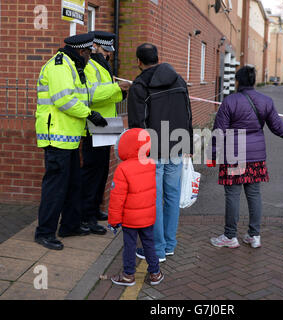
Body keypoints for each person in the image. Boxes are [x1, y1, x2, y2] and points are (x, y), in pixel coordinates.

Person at [207, 65, 283, 249]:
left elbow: (219, 132)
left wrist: (212, 155)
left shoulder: (230, 101)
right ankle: (254, 235)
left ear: (237, 81)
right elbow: (279, 128)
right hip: (256, 156)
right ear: (254, 81)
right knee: (254, 193)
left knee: (233, 194)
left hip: (234, 155)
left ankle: (230, 236)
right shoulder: (266, 101)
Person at [34, 33, 108, 250]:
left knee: (74, 184)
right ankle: (45, 232)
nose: (90, 57)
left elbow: (83, 94)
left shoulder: (74, 66)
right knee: (55, 187)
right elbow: (64, 99)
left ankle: (70, 225)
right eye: (88, 53)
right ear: (82, 51)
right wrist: (90, 114)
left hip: (70, 137)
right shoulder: (59, 66)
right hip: (56, 136)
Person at [127, 43, 193, 262]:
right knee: (172, 196)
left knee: (154, 199)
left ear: (139, 61)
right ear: (157, 58)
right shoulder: (179, 80)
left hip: (153, 149)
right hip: (177, 145)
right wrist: (189, 145)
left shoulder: (140, 85)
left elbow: (137, 124)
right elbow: (188, 113)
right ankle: (169, 244)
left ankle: (156, 248)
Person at [81, 31, 131, 234]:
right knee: (92, 172)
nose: (108, 54)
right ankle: (87, 216)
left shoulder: (103, 66)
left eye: (109, 51)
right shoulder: (91, 66)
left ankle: (95, 209)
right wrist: (117, 88)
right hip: (94, 125)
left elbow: (109, 96)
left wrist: (120, 92)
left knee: (101, 171)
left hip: (106, 125)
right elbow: (91, 95)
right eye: (105, 50)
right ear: (96, 48)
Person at [108, 128, 164, 286]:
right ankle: (155, 273)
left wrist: (114, 221)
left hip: (130, 219)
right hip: (148, 216)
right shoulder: (150, 163)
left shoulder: (123, 169)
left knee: (130, 245)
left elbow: (116, 199)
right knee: (149, 243)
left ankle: (128, 276)